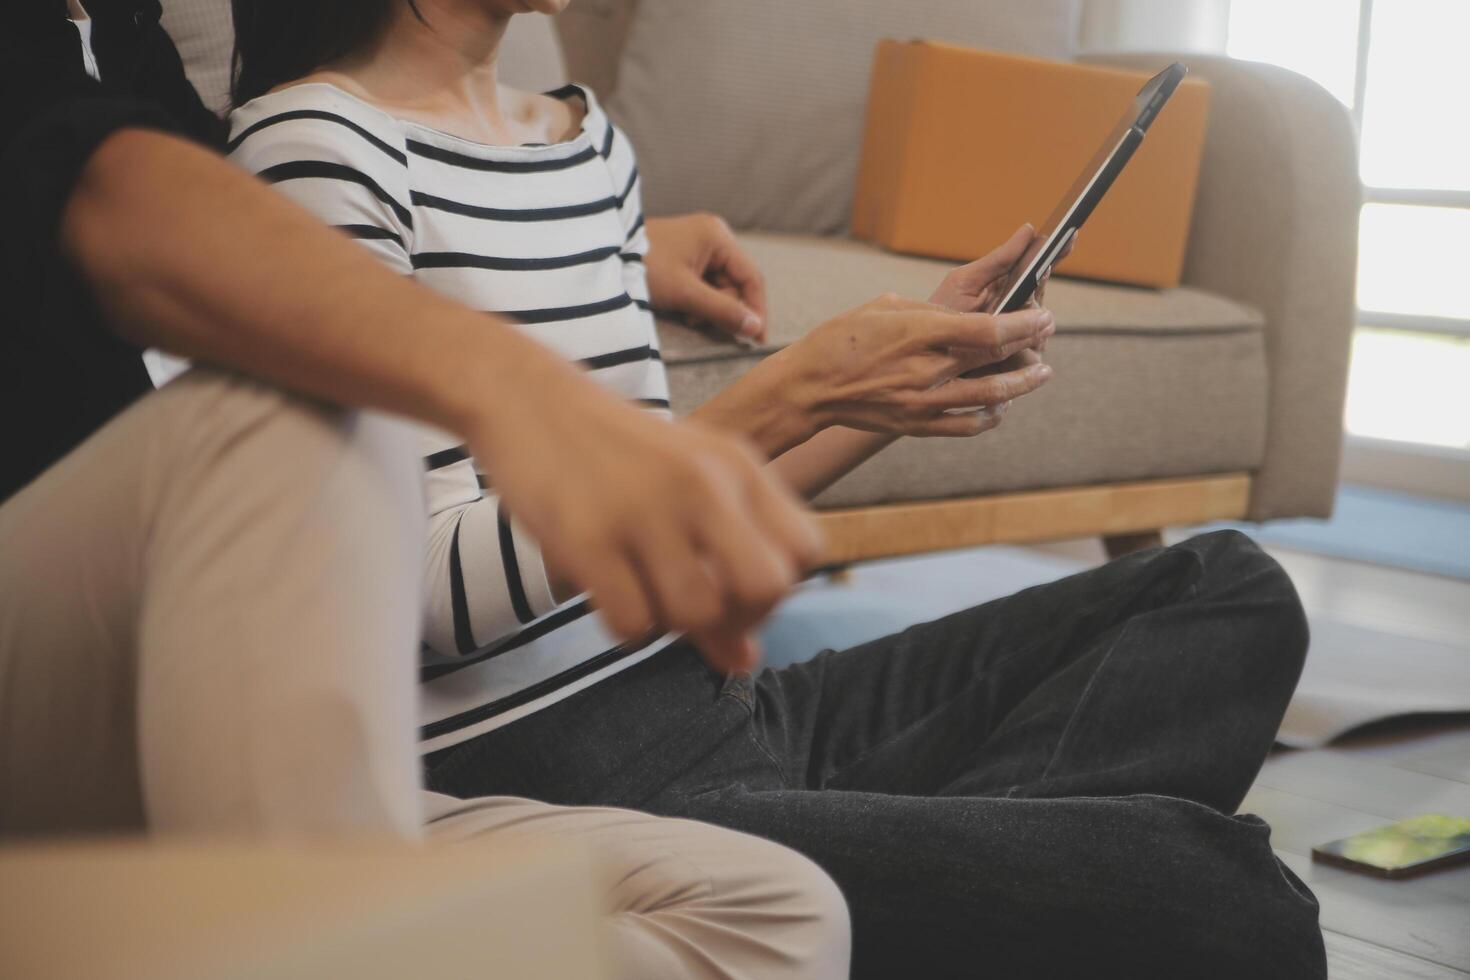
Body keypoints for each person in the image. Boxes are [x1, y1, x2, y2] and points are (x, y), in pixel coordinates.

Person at [226, 1, 1330, 977]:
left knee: (1227, 589)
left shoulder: (588, 145)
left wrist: (872, 396)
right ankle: (970, 890)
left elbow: (679, 507)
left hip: (720, 706)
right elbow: (416, 595)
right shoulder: (318, 148)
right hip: (564, 783)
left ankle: (942, 897)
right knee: (1232, 902)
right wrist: (792, 388)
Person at [0, 2, 861, 976]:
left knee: (782, 913)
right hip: (59, 659)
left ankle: (331, 929)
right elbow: (95, 183)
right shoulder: (282, 133)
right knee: (299, 406)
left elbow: (192, 188)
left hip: (181, 677)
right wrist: (513, 385)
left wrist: (584, 221)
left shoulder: (129, 28)